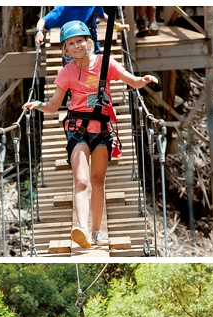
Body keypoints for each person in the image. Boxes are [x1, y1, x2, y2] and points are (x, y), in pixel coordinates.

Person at [22, 20, 158, 248]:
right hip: (78, 130)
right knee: (82, 181)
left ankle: (97, 231)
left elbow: (131, 81)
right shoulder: (67, 72)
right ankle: (82, 229)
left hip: (102, 130)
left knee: (97, 181)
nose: (76, 46)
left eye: (80, 41)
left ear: (88, 41)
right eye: (71, 44)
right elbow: (54, 106)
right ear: (65, 49)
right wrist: (38, 105)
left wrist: (142, 81)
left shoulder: (106, 63)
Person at [34, 6, 119, 58]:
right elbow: (43, 21)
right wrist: (39, 32)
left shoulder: (94, 5)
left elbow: (101, 15)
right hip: (73, 53)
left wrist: (116, 25)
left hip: (90, 46)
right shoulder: (64, 9)